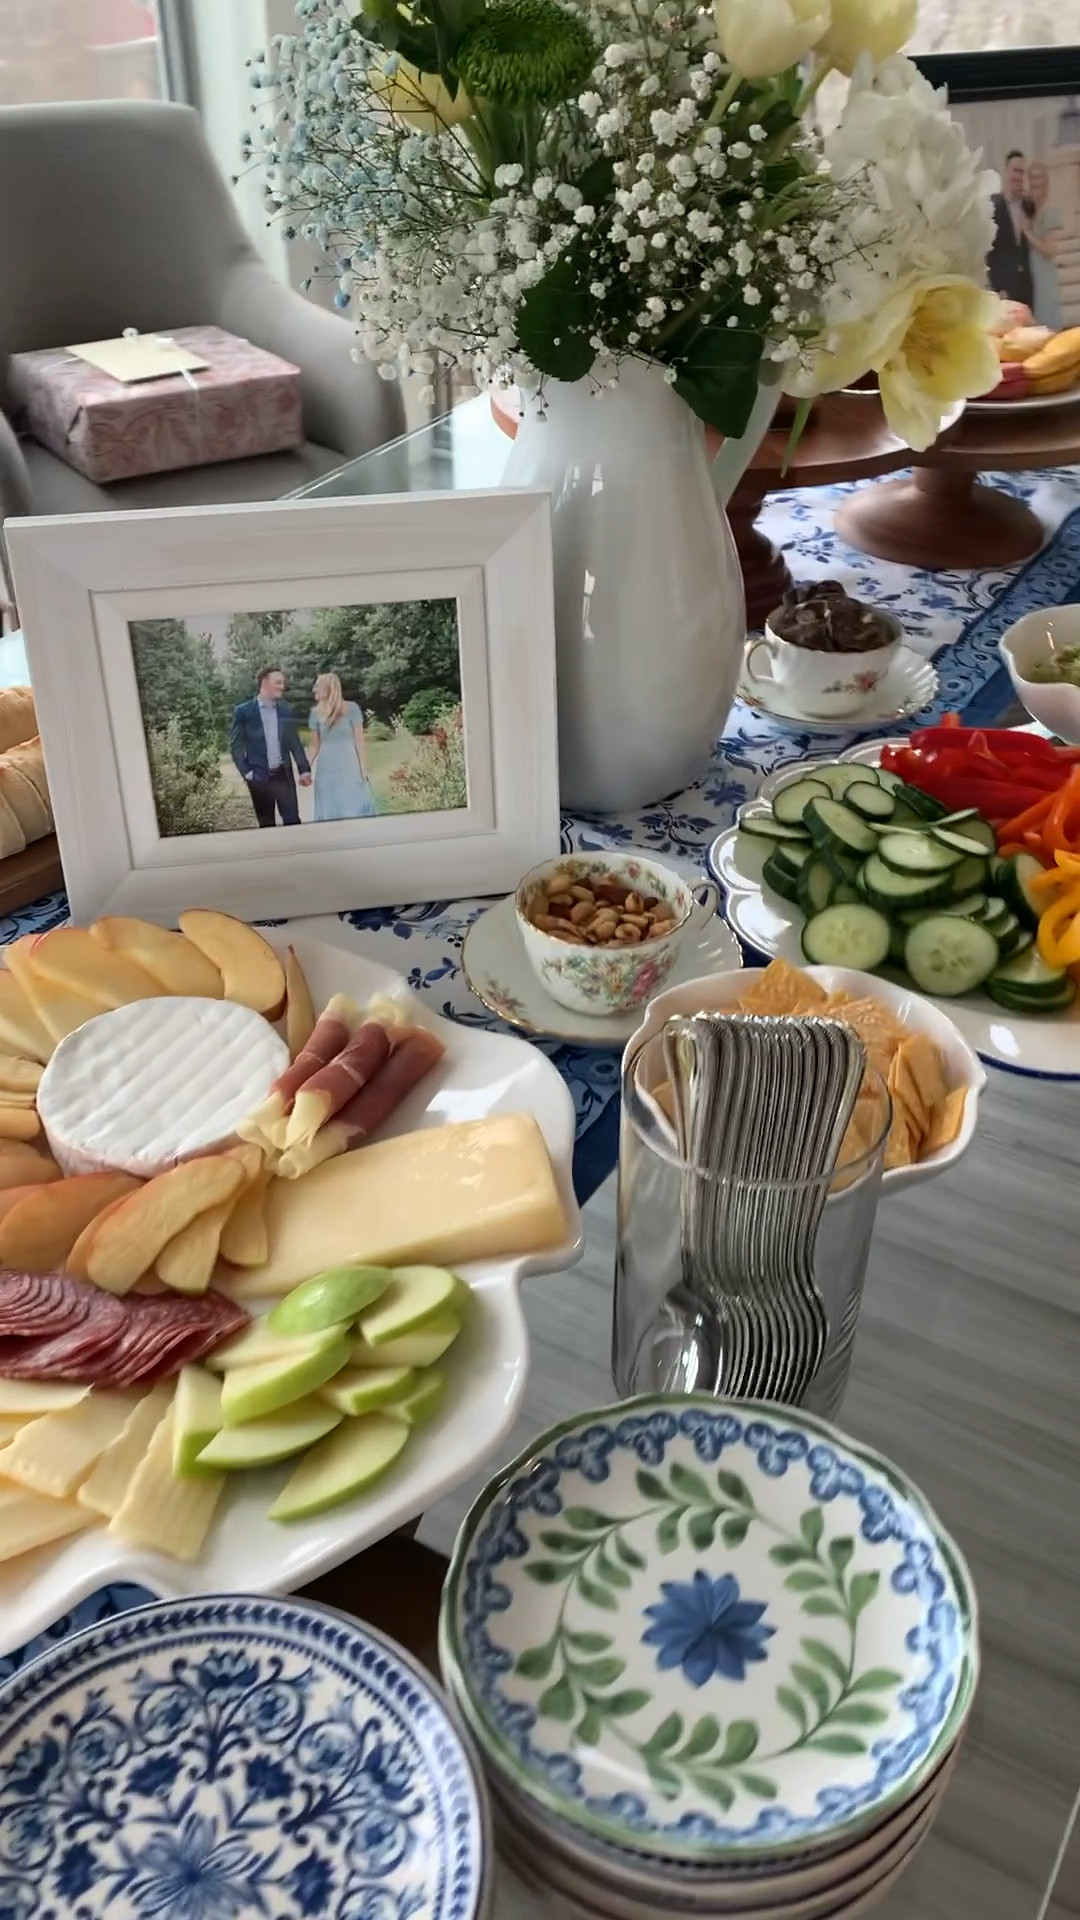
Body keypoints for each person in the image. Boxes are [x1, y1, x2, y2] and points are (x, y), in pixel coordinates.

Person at [229, 666, 311, 828]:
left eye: (282, 683)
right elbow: (236, 745)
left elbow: (294, 742)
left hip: (283, 775)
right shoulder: (244, 712)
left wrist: (304, 769)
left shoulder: (286, 711)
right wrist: (247, 772)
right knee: (266, 825)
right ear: (265, 683)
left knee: (293, 821)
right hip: (258, 777)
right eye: (278, 682)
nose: (282, 686)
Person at [308, 672, 378, 821]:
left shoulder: (352, 709)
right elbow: (315, 745)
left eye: (317, 686)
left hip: (348, 763)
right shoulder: (315, 713)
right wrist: (305, 768)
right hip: (327, 766)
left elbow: (359, 741)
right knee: (329, 802)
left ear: (329, 689)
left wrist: (363, 768)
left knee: (352, 800)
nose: (314, 690)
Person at [987, 150, 1035, 310]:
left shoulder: (1029, 206)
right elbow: (990, 251)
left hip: (1027, 288)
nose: (1018, 176)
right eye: (1015, 171)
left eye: (1022, 172)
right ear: (1006, 172)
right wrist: (998, 288)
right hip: (1005, 289)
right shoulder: (993, 206)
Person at [1024, 161, 1064, 332]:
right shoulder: (1033, 212)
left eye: (1038, 178)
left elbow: (1050, 250)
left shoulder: (1050, 211)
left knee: (1049, 327)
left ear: (1045, 182)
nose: (1035, 184)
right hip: (1035, 280)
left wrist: (1027, 233)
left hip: (1046, 280)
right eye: (1032, 179)